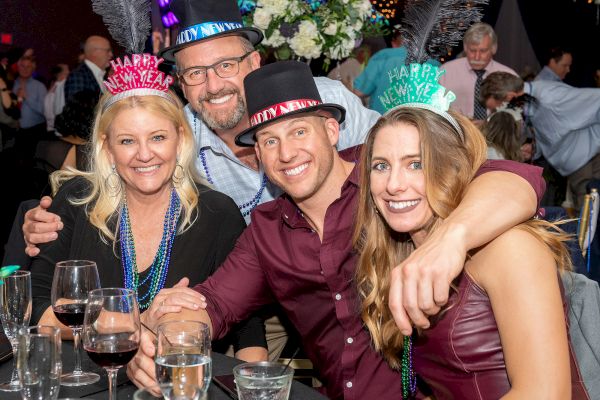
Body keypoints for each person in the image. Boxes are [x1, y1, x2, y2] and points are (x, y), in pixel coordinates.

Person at [126, 60, 546, 399]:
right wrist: (162, 337)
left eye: (299, 131)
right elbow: (213, 305)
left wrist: (452, 237)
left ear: (331, 129)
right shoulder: (268, 231)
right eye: (269, 141)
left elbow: (516, 179)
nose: (286, 153)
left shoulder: (386, 179)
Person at [23, 0, 381, 362]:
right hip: (253, 287)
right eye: (195, 73)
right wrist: (39, 216)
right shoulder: (184, 138)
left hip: (365, 272)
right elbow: (121, 146)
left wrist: (440, 238)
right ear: (182, 83)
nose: (213, 84)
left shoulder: (319, 100)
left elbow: (421, 153)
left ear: (255, 63)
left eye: (226, 65)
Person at [352, 65, 588, 397]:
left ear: (451, 169)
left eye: (416, 164)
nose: (393, 184)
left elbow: (545, 394)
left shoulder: (509, 248)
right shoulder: (402, 250)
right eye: (381, 166)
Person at [28, 53, 267, 362]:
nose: (144, 155)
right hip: (85, 379)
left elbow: (249, 331)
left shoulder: (217, 213)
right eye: (127, 141)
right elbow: (36, 303)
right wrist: (135, 324)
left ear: (180, 139)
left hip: (176, 385)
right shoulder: (78, 199)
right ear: (107, 147)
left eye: (157, 137)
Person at [481, 71, 600, 210]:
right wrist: (534, 150)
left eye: (495, 110)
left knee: (589, 225)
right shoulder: (529, 104)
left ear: (510, 97)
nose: (494, 115)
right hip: (576, 169)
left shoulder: (551, 98)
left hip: (589, 164)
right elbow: (553, 130)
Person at [439, 22, 517, 123]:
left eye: (483, 51)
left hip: (495, 135)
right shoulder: (446, 72)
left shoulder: (509, 76)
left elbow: (517, 117)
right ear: (465, 48)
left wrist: (489, 125)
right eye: (472, 50)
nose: (477, 56)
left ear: (493, 49)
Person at [353, 26, 408, 114]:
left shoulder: (384, 56)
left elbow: (359, 91)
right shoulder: (433, 62)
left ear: (393, 43)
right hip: (422, 123)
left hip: (384, 120)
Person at [64, 35, 112, 103]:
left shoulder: (102, 76)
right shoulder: (78, 75)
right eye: (108, 50)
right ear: (95, 52)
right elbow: (78, 111)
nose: (111, 54)